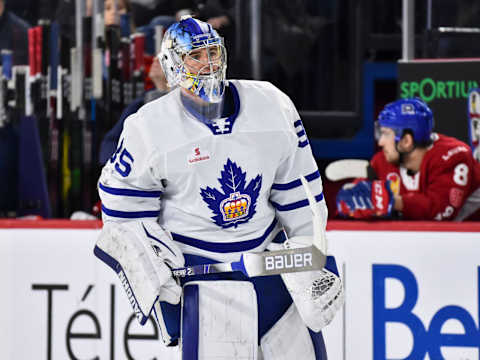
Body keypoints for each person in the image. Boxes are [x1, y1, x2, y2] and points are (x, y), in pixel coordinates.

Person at [94, 16, 343, 359]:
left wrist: (312, 254)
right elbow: (122, 215)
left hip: (270, 268)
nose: (207, 63)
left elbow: (302, 195)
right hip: (203, 278)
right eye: (195, 56)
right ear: (173, 65)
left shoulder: (272, 105)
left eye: (212, 52)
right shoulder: (147, 127)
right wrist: (154, 272)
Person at [336, 98, 480, 221]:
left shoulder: (454, 155)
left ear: (406, 140)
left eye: (386, 134)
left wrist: (393, 201)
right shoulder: (384, 160)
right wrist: (349, 202)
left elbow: (441, 213)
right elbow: (361, 196)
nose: (380, 142)